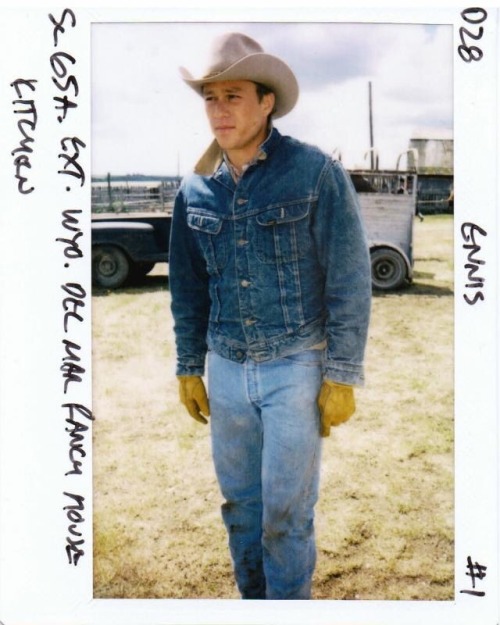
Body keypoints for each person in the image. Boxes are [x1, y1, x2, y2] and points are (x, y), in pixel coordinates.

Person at [169, 32, 371, 600]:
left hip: (296, 368)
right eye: (210, 97)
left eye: (233, 96)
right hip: (226, 371)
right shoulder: (194, 191)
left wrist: (341, 375)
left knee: (286, 517)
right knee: (240, 508)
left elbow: (351, 280)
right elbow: (187, 288)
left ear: (266, 102)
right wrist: (189, 366)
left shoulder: (313, 173)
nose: (218, 110)